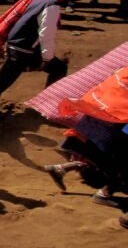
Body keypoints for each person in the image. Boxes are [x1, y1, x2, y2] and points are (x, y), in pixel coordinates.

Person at [0, 0, 72, 116]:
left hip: (16, 43)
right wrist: (46, 58)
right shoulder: (52, 3)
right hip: (25, 48)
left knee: (6, 77)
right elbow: (46, 34)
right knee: (6, 78)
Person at [38, 63, 128, 208]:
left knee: (107, 161)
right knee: (119, 168)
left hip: (89, 130)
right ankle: (104, 194)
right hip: (103, 136)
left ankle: (61, 168)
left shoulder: (121, 74)